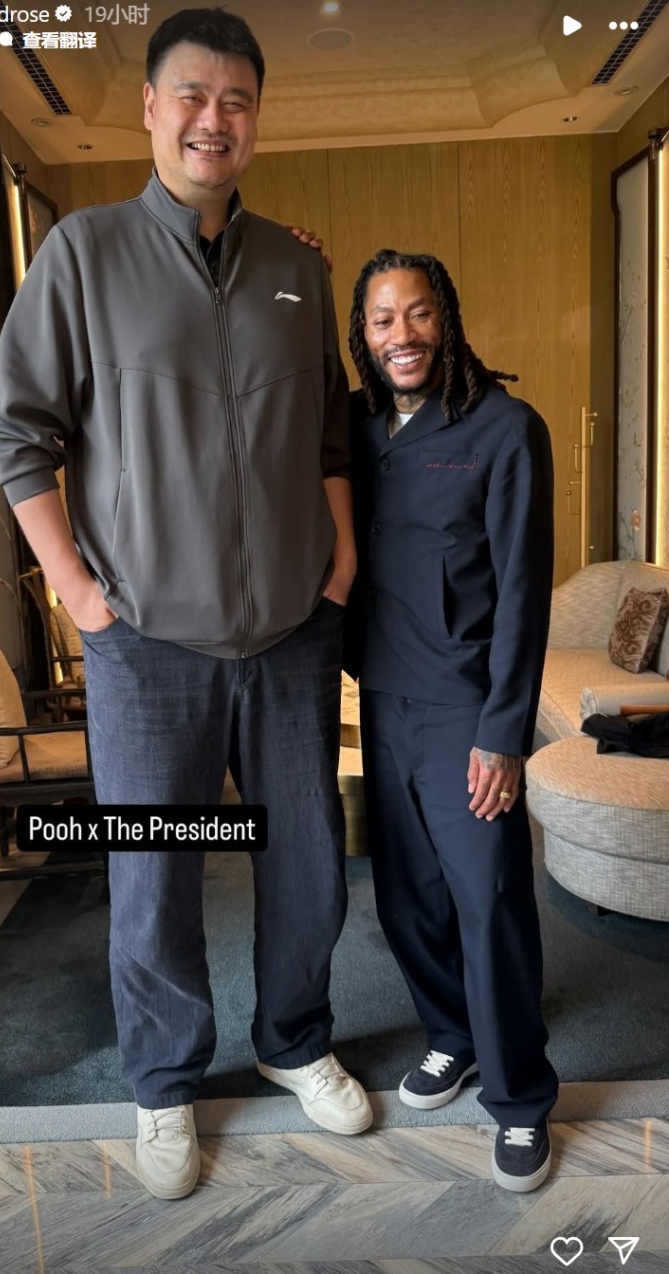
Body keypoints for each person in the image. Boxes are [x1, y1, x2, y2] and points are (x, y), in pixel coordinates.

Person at [0, 6, 372, 1202]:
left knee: (307, 860)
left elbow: (332, 433)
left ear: (256, 121)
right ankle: (163, 1079)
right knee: (156, 874)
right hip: (145, 642)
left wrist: (341, 559)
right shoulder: (83, 253)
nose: (214, 119)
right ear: (150, 108)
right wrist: (76, 591)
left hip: (292, 631)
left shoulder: (298, 267)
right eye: (192, 96)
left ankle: (294, 1038)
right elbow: (13, 430)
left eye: (236, 101)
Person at [345, 248, 559, 1193]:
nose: (403, 335)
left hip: (467, 705)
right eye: (382, 319)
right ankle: (454, 1034)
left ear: (448, 318)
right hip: (383, 697)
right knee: (406, 899)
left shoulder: (505, 429)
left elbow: (523, 591)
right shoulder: (359, 431)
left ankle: (520, 1098)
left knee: (489, 897)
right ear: (363, 336)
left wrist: (504, 731)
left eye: (418, 313)